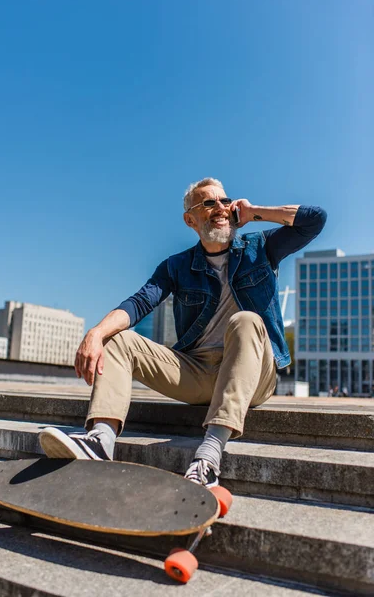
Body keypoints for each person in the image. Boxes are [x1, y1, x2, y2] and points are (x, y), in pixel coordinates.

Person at [39, 178, 327, 488]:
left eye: (223, 200)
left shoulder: (261, 247)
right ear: (190, 220)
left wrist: (254, 212)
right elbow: (139, 303)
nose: (219, 207)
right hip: (198, 373)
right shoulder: (177, 266)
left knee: (246, 320)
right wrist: (96, 333)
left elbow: (314, 220)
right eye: (208, 203)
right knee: (118, 338)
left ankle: (208, 457)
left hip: (255, 375)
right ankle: (99, 442)